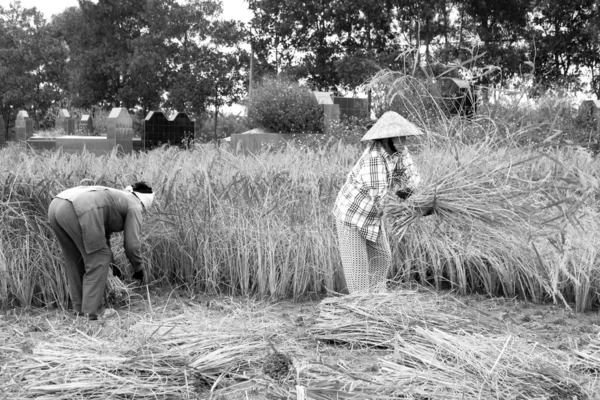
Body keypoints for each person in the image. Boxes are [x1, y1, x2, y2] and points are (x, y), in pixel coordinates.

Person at [332, 111, 425, 294]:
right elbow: (382, 201)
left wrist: (420, 196)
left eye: (405, 136)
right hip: (352, 218)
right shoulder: (374, 159)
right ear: (386, 138)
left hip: (372, 217)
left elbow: (412, 176)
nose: (403, 141)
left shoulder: (400, 152)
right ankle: (361, 307)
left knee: (382, 257)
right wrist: (413, 208)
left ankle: (377, 302)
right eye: (399, 137)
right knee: (358, 275)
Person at [48, 182, 154, 320]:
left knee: (75, 259)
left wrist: (113, 265)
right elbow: (132, 245)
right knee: (98, 258)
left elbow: (103, 236)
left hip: (58, 204)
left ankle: (80, 310)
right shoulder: (135, 205)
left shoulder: (119, 197)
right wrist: (138, 268)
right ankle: (92, 313)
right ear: (146, 202)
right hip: (79, 208)